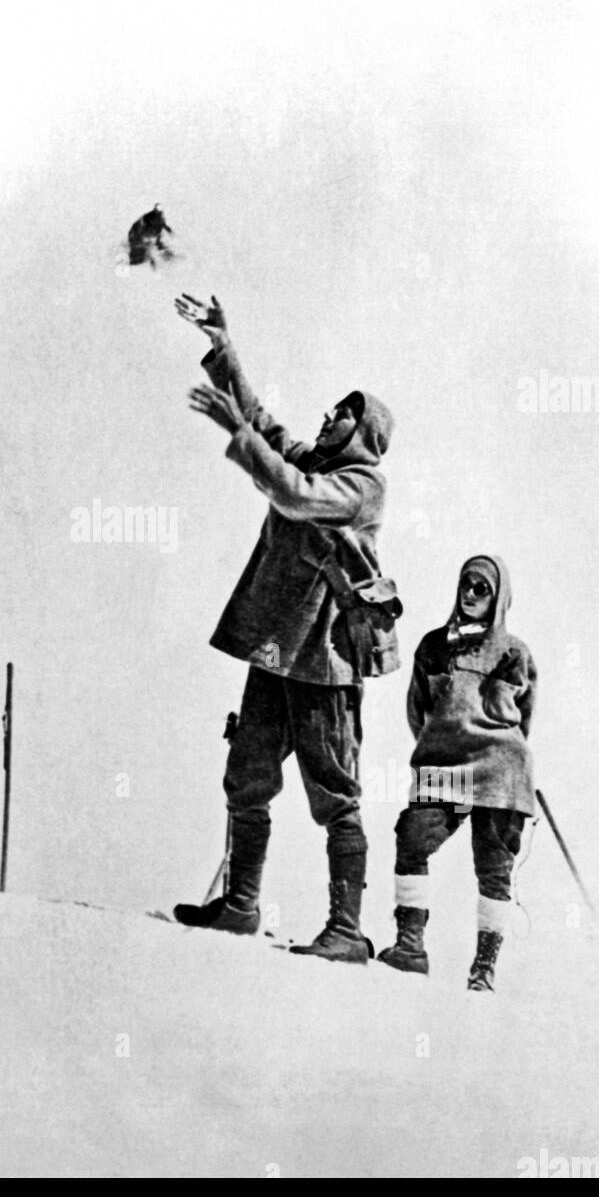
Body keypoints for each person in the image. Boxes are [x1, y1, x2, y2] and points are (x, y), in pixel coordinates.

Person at [172, 294, 401, 962]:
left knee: (334, 790)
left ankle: (347, 931)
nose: (328, 417)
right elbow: (268, 428)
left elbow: (294, 495)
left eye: (342, 414)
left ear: (363, 433)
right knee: (247, 774)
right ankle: (241, 906)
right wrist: (224, 347)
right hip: (279, 649)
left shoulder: (362, 485)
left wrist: (235, 436)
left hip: (325, 660)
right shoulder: (320, 462)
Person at [377, 555, 536, 991]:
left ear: (498, 596)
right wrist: (441, 746)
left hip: (501, 771)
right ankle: (409, 948)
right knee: (412, 839)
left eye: (481, 588)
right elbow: (417, 711)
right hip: (447, 766)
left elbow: (523, 718)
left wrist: (505, 758)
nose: (469, 593)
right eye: (466, 584)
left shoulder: (514, 652)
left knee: (493, 869)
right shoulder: (433, 646)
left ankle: (483, 971)